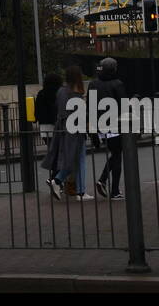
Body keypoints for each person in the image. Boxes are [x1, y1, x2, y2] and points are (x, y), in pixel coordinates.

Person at [44, 65, 92, 200]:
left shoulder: (61, 91)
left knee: (72, 159)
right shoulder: (76, 94)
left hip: (63, 129)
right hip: (76, 130)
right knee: (80, 159)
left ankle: (58, 181)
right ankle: (80, 191)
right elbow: (82, 114)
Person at [90, 57, 127, 199]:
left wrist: (93, 130)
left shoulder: (93, 84)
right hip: (114, 124)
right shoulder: (117, 84)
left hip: (100, 125)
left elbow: (90, 107)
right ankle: (111, 187)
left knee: (115, 153)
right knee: (117, 155)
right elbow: (124, 107)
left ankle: (106, 182)